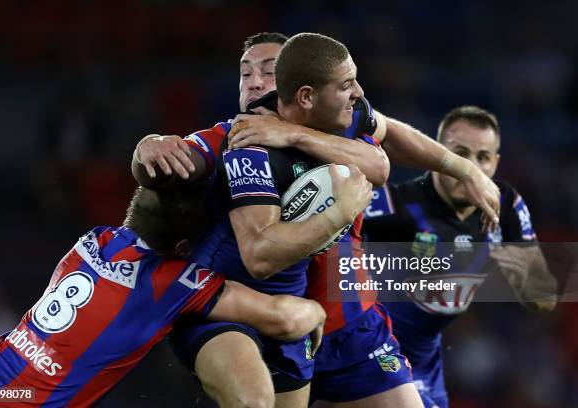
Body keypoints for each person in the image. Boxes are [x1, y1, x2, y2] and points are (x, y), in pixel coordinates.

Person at [133, 32, 502, 408]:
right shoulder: (239, 141)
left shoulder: (343, 117)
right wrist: (146, 147)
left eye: (270, 71)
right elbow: (169, 167)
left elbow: (384, 153)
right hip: (267, 316)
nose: (256, 82)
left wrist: (463, 170)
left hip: (346, 323)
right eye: (246, 74)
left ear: (299, 86)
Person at [0, 182, 327, 407]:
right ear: (184, 246)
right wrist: (316, 311)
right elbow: (281, 318)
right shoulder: (174, 283)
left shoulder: (94, 239)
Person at [362, 106, 558, 408]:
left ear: (495, 163)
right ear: (438, 155)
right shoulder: (398, 204)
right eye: (461, 153)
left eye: (483, 157)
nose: (473, 168)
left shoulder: (506, 205)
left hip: (425, 358)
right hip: (375, 347)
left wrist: (527, 282)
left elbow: (544, 299)